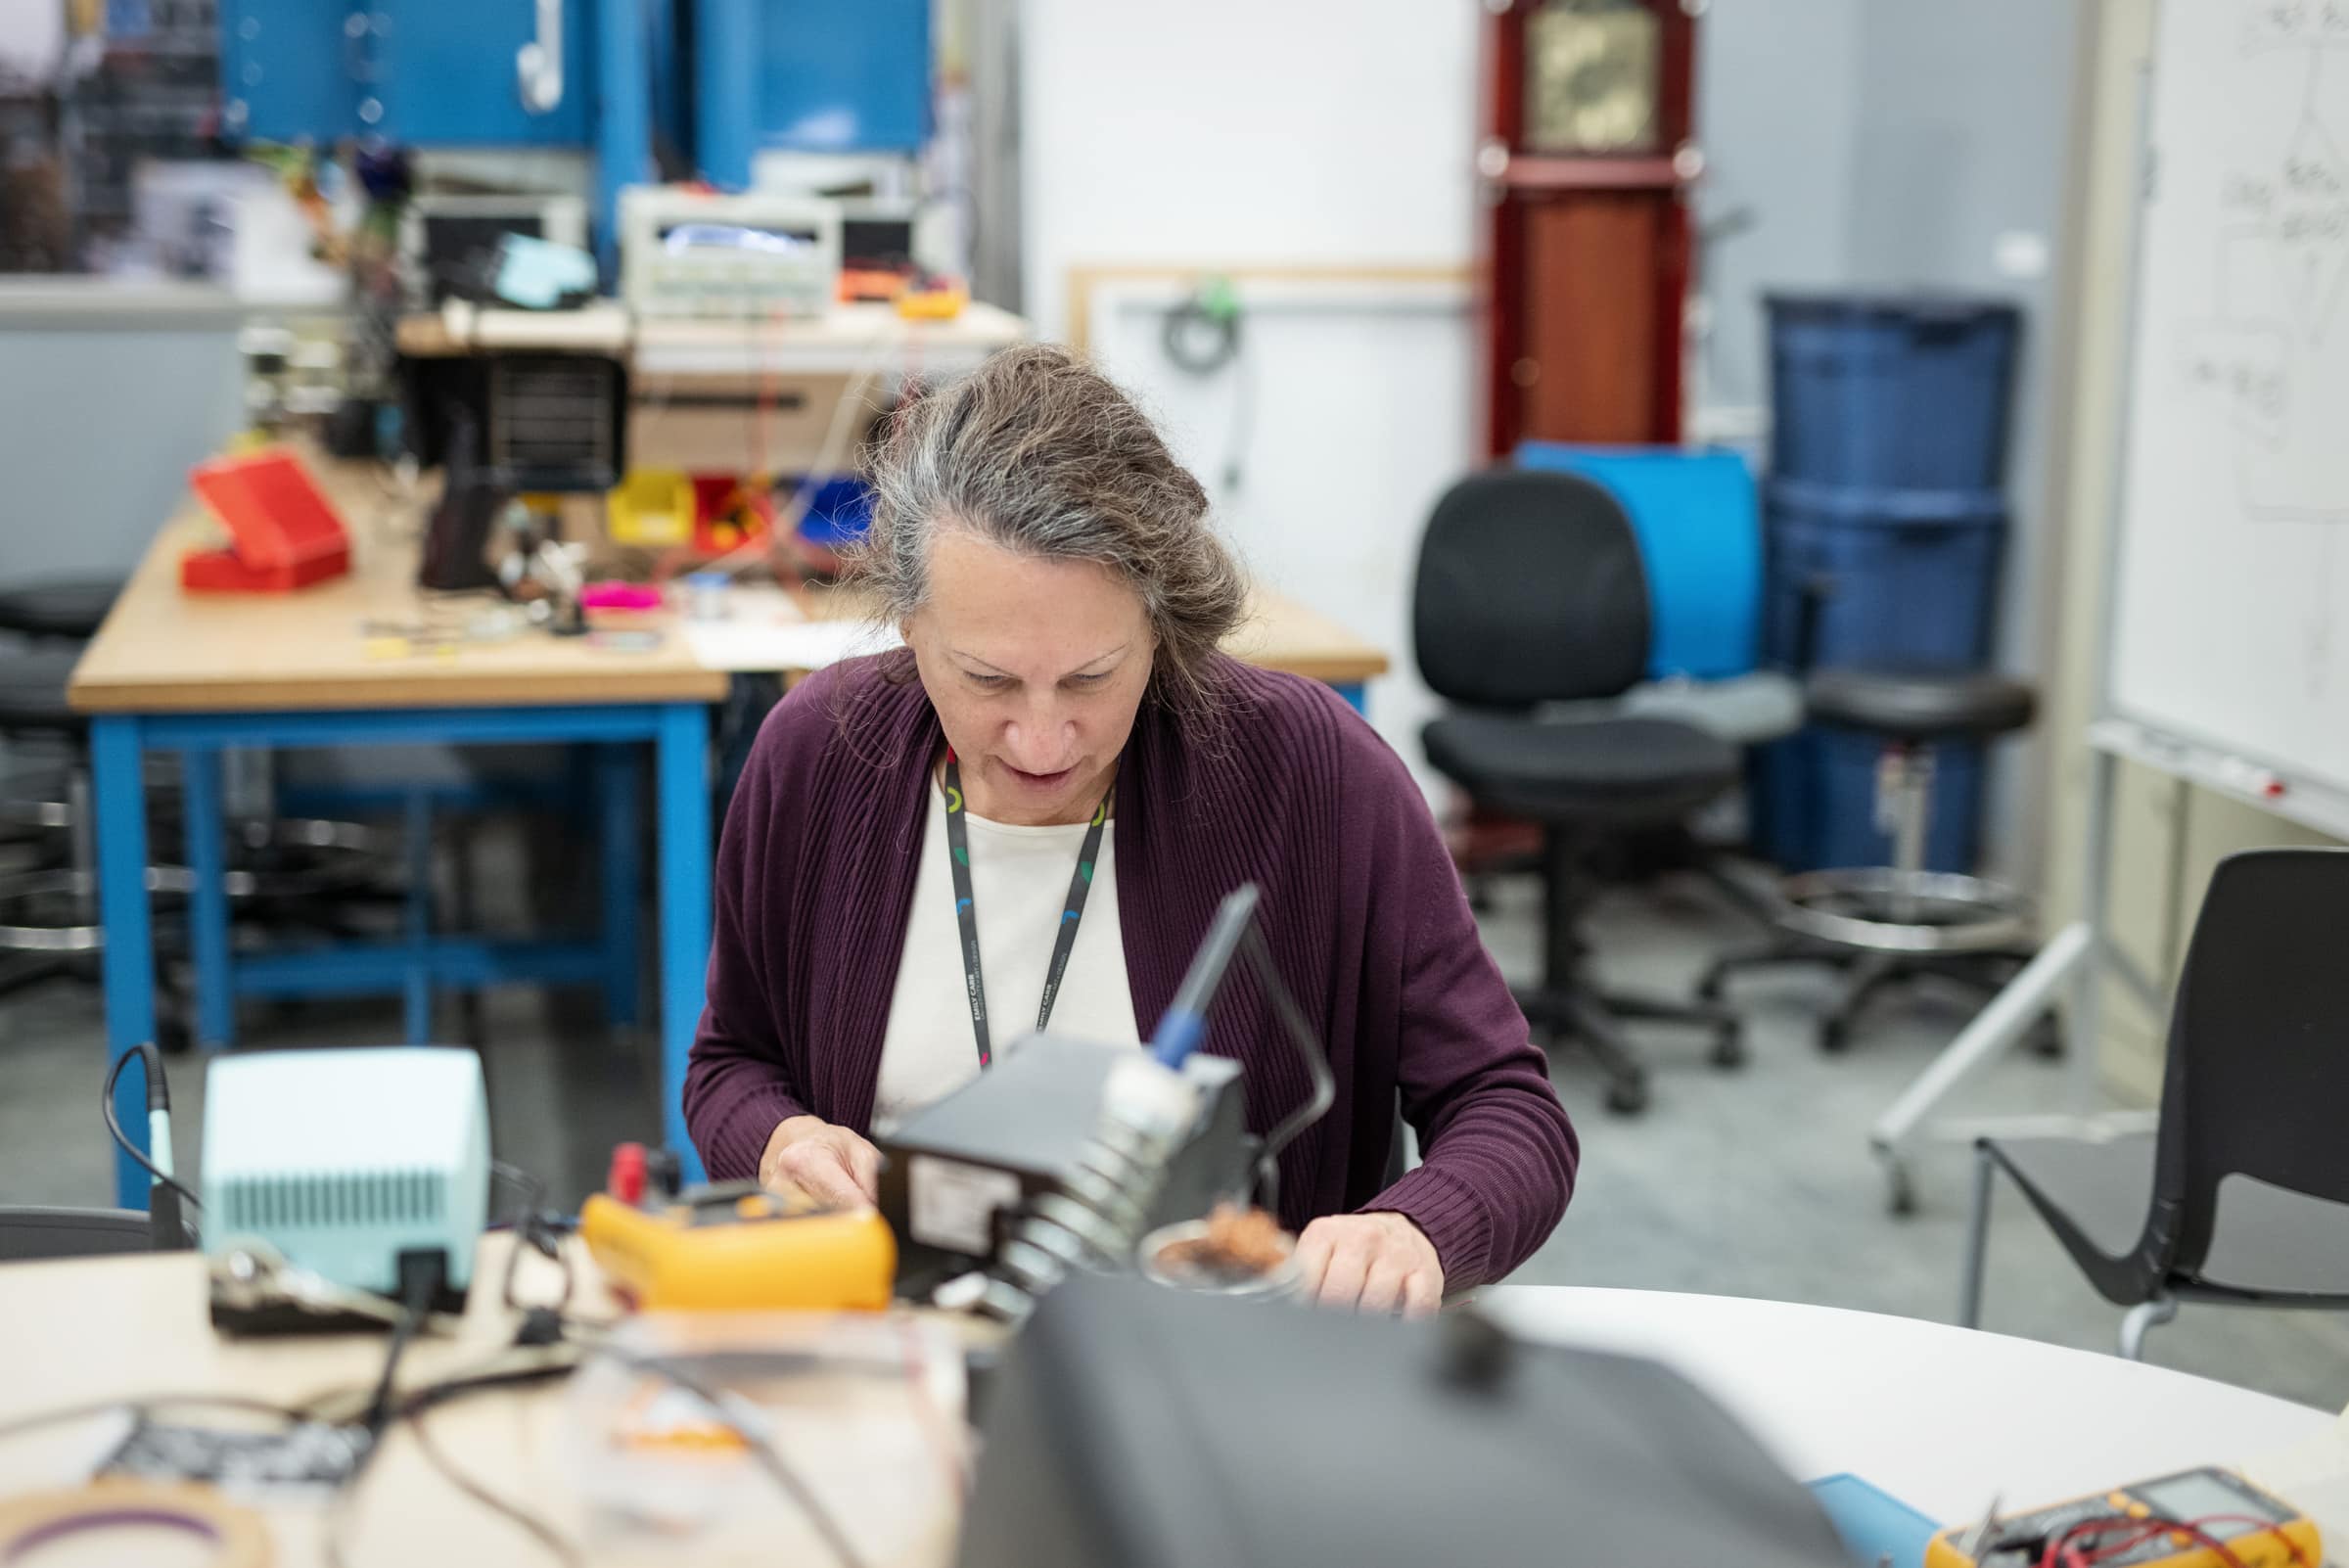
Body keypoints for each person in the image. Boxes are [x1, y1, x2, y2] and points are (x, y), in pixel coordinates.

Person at [685, 345, 1577, 1315]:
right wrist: (780, 1140)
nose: (1039, 737)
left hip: (1220, 1370)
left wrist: (1416, 1227)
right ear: (911, 629)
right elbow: (733, 1064)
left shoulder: (1312, 775)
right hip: (906, 1346)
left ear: (1161, 624)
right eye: (986, 680)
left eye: (1091, 677)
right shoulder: (819, 760)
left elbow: (1509, 1111)